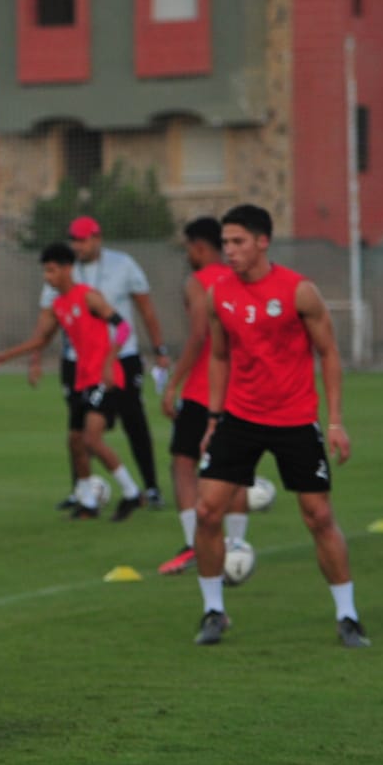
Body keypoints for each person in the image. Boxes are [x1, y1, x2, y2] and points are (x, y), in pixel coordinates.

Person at [190, 204, 368, 647]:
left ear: (262, 242)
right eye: (225, 243)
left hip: (295, 419)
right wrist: (213, 418)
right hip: (239, 417)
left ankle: (348, 616)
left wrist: (336, 421)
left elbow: (328, 353)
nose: (229, 251)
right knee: (207, 511)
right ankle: (213, 612)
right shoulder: (218, 294)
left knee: (319, 516)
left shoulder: (298, 292)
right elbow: (219, 356)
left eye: (238, 242)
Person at [0, 243, 143, 521]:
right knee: (75, 441)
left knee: (92, 439)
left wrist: (110, 362)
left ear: (68, 269)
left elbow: (124, 327)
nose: (47, 276)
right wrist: (6, 356)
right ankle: (88, 502)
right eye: (45, 271)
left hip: (104, 378)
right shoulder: (58, 306)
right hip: (83, 381)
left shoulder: (89, 297)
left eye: (51, 270)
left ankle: (132, 493)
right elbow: (41, 340)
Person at [33, 216, 168, 510]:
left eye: (83, 240)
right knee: (77, 429)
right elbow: (45, 321)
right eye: (74, 240)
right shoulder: (62, 269)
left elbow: (146, 309)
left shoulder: (124, 264)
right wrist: (35, 358)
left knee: (134, 419)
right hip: (77, 362)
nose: (78, 246)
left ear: (97, 238)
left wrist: (159, 349)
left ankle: (151, 487)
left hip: (122, 356)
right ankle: (81, 492)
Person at [157, 217, 251, 575]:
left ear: (198, 247)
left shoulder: (198, 282)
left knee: (183, 463)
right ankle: (237, 546)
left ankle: (193, 544)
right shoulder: (241, 278)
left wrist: (173, 383)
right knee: (235, 469)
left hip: (203, 389)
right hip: (240, 388)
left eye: (188, 249)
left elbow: (198, 335)